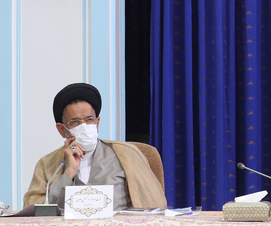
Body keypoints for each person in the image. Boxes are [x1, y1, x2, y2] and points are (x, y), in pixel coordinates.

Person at [23, 83, 168, 211]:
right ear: (62, 129)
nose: (84, 126)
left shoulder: (126, 154)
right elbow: (34, 212)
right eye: (75, 122)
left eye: (89, 119)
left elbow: (155, 203)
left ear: (97, 123)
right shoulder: (47, 164)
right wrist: (69, 172)